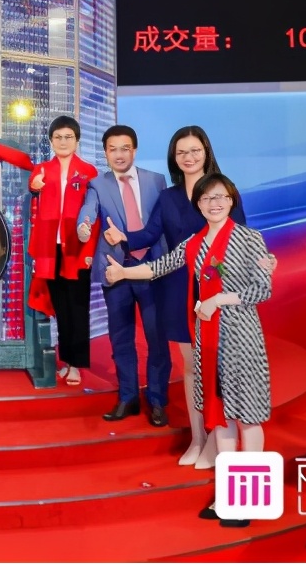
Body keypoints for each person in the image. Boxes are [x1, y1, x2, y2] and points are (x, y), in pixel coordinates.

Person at [104, 172, 273, 528]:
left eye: (221, 197)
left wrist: (219, 300)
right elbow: (159, 266)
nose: (214, 203)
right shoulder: (194, 243)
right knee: (220, 415)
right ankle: (230, 497)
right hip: (208, 339)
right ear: (199, 205)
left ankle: (248, 500)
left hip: (241, 340)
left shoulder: (249, 238)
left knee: (248, 418)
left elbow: (262, 289)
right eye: (207, 198)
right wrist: (123, 273)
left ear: (232, 200)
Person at [124, 126, 249, 467]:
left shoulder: (223, 191)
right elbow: (150, 233)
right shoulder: (168, 197)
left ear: (206, 151)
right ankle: (198, 438)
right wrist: (121, 237)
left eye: (194, 150)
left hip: (216, 290)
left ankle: (218, 441)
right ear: (173, 158)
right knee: (192, 367)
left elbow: (240, 236)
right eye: (181, 152)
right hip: (179, 289)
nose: (188, 157)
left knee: (216, 367)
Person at [76, 125, 170, 426]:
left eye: (125, 148)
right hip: (116, 270)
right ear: (105, 152)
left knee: (157, 338)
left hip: (152, 268)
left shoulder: (157, 180)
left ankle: (157, 400)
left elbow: (163, 222)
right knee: (121, 338)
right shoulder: (97, 184)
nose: (119, 154)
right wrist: (84, 225)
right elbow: (88, 210)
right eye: (113, 149)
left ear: (134, 150)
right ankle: (128, 397)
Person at [27, 115, 98, 386]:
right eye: (58, 137)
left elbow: (94, 212)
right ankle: (65, 359)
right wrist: (35, 186)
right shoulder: (43, 169)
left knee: (77, 307)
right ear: (51, 141)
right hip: (50, 248)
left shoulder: (88, 171)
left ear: (77, 140)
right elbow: (33, 186)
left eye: (68, 137)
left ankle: (76, 364)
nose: (63, 141)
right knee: (60, 307)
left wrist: (89, 249)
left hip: (77, 249)